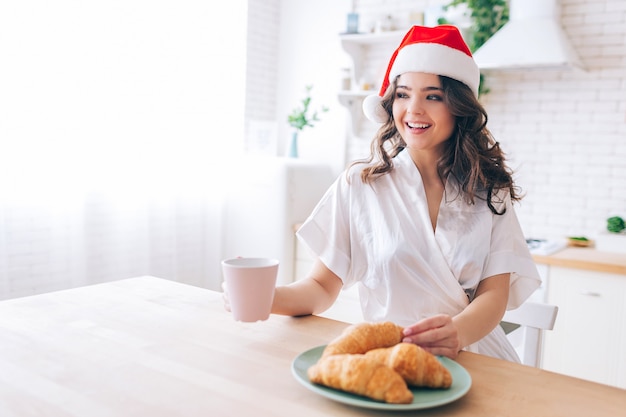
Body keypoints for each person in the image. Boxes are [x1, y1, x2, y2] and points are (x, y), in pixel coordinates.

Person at [224, 25, 541, 362]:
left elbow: (494, 296)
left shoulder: (488, 190)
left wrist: (457, 333)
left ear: (458, 106)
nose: (414, 109)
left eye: (433, 95)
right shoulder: (361, 184)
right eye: (403, 94)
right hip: (390, 359)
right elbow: (320, 287)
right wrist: (266, 297)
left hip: (476, 357)